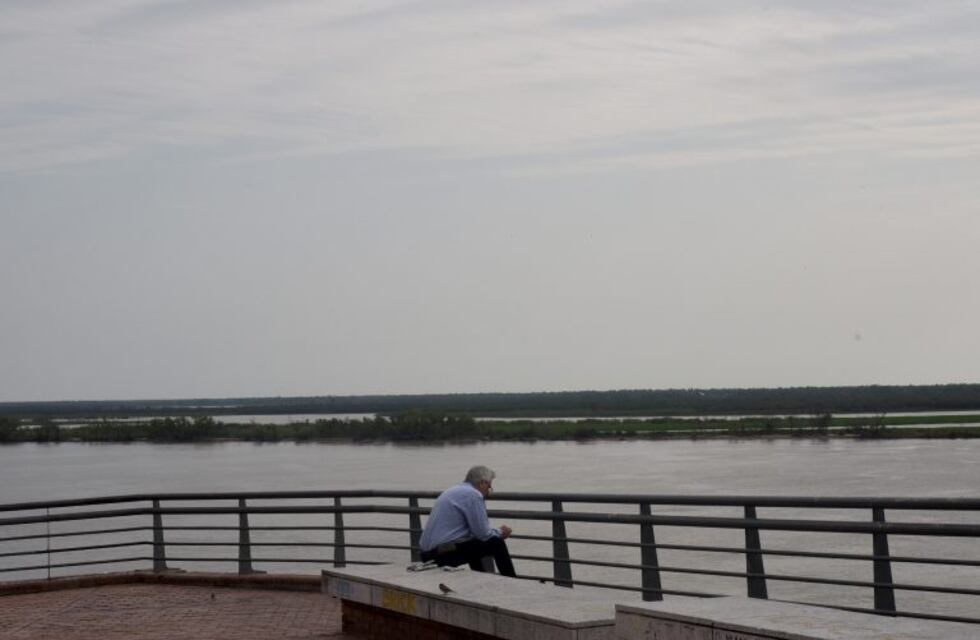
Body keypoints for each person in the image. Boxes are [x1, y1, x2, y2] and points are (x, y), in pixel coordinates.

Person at [419, 465, 516, 577]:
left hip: (427, 554)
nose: (488, 492)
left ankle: (481, 579)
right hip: (439, 556)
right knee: (496, 543)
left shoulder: (453, 490)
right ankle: (512, 581)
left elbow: (476, 533)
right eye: (489, 487)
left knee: (474, 543)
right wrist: (500, 532)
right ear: (482, 483)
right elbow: (483, 534)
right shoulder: (473, 494)